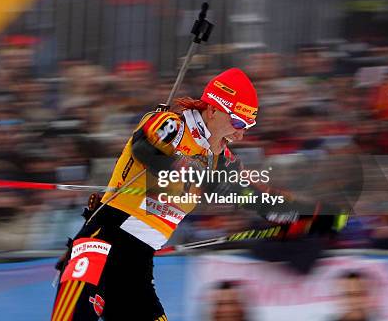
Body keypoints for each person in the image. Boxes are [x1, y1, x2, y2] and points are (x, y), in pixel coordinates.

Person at [50, 68, 346, 321]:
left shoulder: (221, 160)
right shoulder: (172, 124)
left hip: (137, 259)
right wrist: (187, 169)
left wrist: (315, 215)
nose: (241, 134)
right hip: (106, 237)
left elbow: (257, 200)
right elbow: (144, 149)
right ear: (215, 109)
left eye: (248, 125)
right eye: (238, 122)